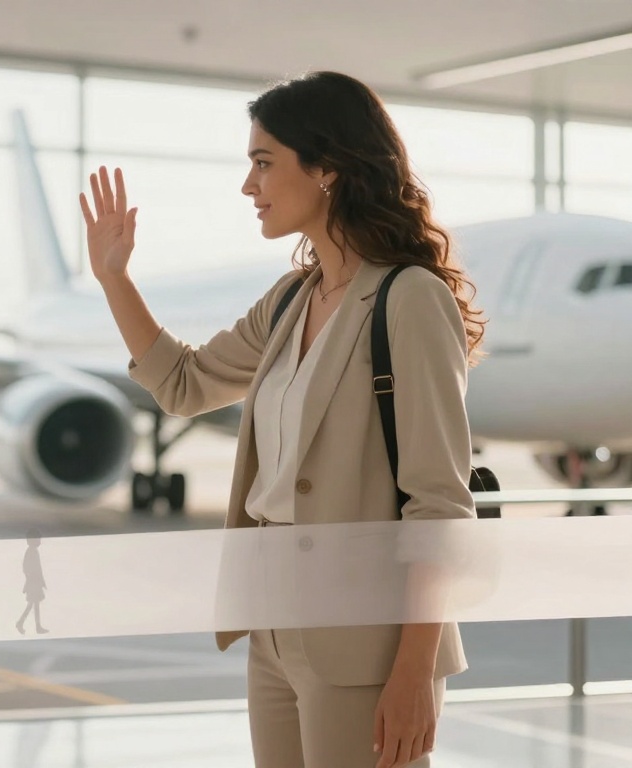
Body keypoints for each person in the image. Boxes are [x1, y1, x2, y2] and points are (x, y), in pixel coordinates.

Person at [80, 71, 484, 768]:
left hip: (363, 634)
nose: (249, 187)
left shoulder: (410, 298)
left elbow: (440, 503)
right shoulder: (292, 299)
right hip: (272, 622)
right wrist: (116, 278)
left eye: (263, 163)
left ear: (327, 167)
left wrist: (416, 670)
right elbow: (183, 384)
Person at [16, 528, 47, 635]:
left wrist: (41, 581)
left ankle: (31, 625)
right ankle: (23, 623)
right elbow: (27, 568)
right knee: (32, 605)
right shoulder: (31, 552)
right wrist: (32, 580)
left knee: (33, 605)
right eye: (38, 539)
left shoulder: (33, 551)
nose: (39, 541)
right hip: (33, 583)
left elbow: (38, 569)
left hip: (35, 582)